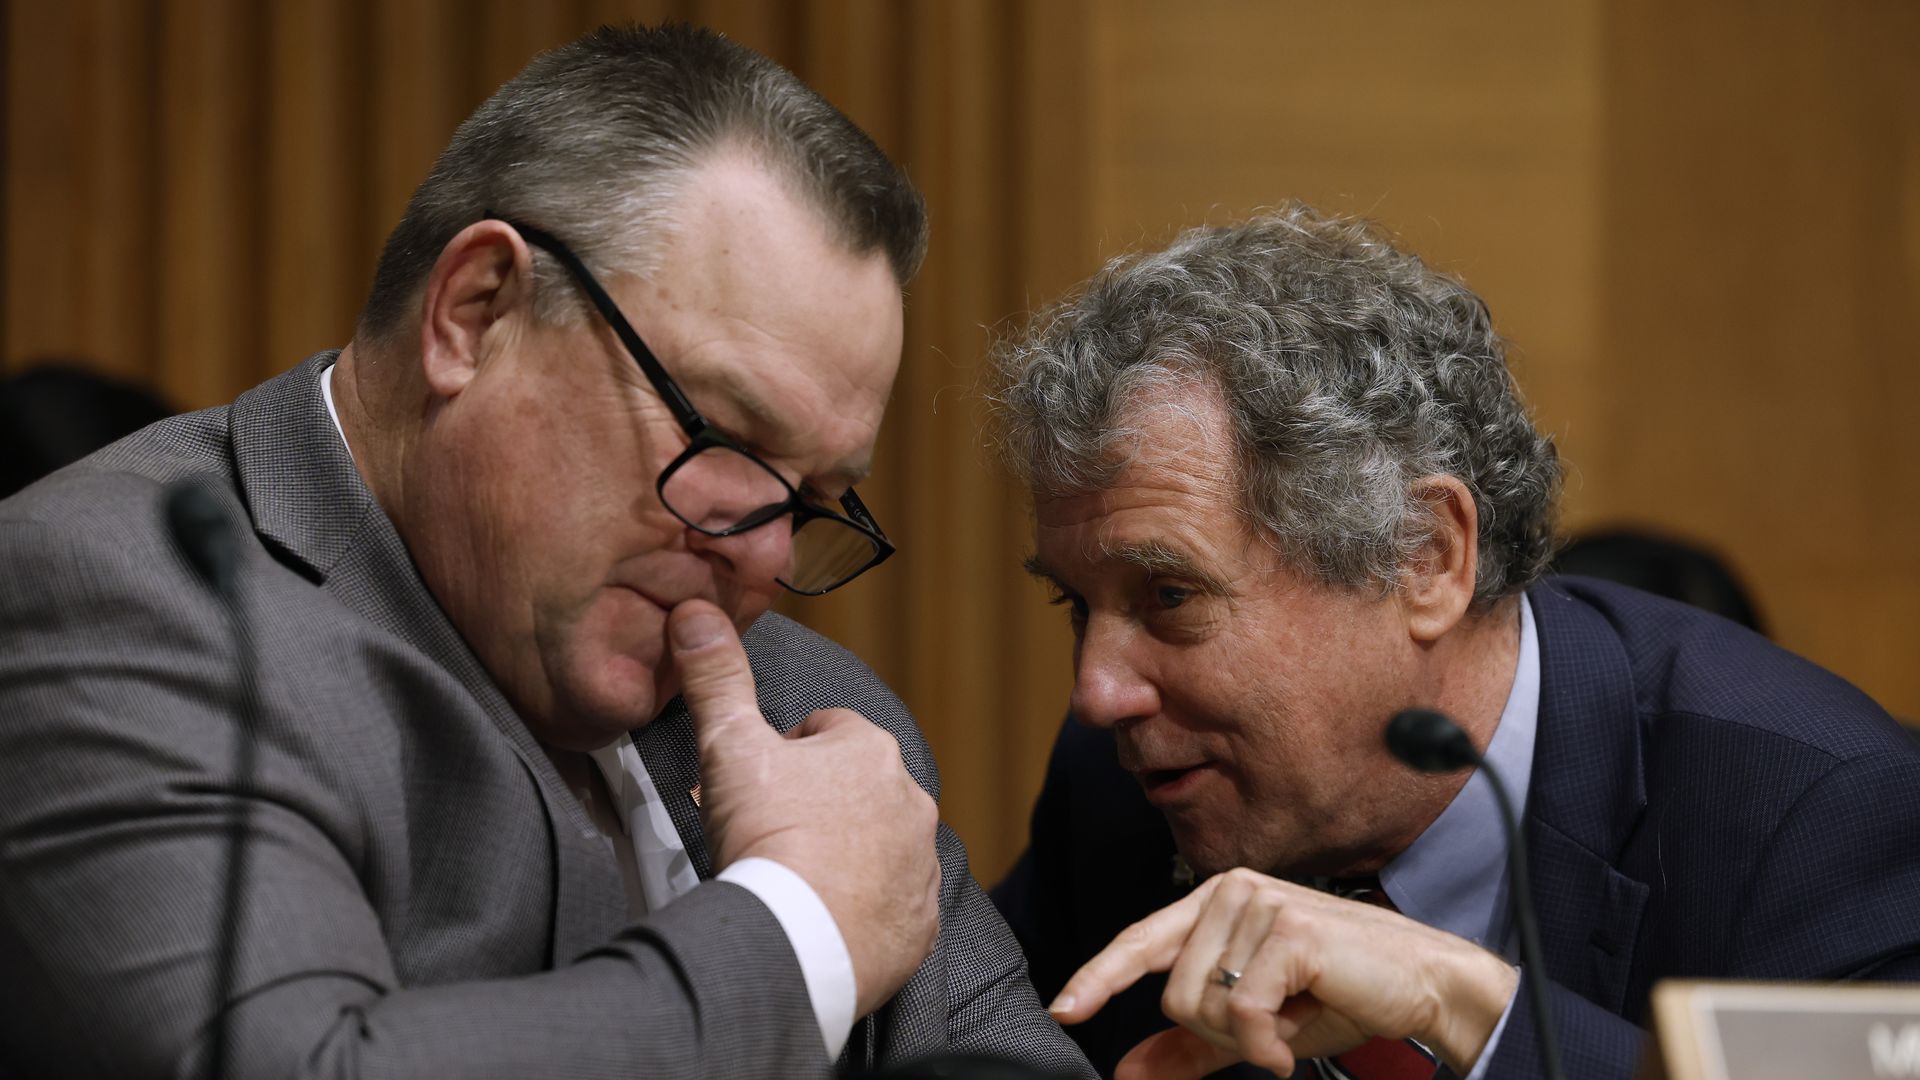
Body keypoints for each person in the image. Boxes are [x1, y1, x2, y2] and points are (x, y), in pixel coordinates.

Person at [0, 25, 1088, 1079]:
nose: (762, 556)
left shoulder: (812, 716)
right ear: (476, 313)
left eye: (812, 498)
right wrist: (798, 932)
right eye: (722, 437)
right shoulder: (114, 597)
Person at [983, 205, 1920, 1080]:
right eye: (1076, 604)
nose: (1099, 693)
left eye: (1170, 594)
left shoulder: (1816, 813)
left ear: (1424, 557)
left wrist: (1469, 1007)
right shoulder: (1124, 789)